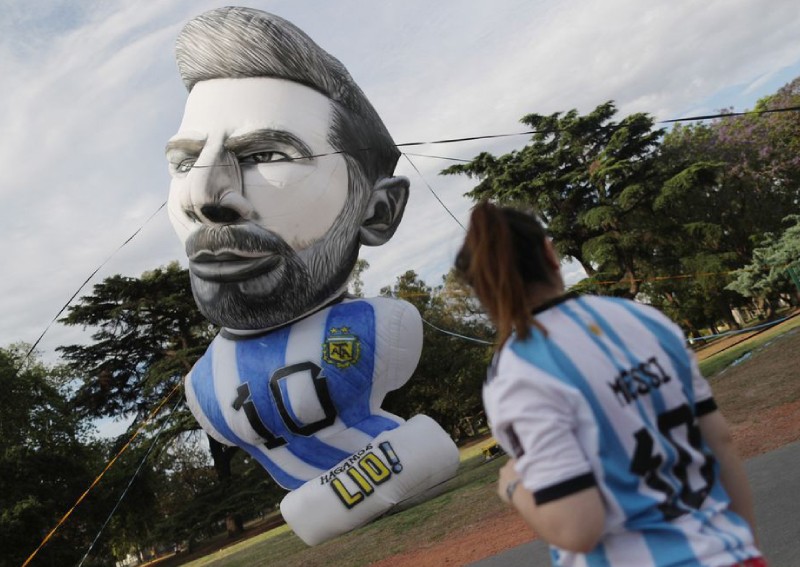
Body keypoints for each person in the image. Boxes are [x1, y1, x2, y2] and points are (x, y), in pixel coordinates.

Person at [164, 7, 459, 546]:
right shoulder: (203, 389)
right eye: (184, 162)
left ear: (377, 212)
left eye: (264, 154)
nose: (204, 197)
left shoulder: (378, 328)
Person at [454, 201, 765, 566]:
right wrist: (743, 547)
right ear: (550, 255)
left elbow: (577, 529)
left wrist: (512, 486)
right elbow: (720, 444)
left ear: (483, 294)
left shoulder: (516, 373)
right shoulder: (644, 319)